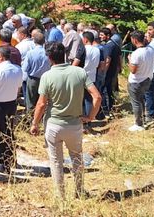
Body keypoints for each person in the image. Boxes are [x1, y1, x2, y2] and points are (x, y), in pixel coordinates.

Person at [31, 42, 102, 198]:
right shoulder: (79, 72)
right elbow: (97, 96)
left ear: (49, 57)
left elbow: (41, 104)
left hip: (54, 125)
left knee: (56, 161)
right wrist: (90, 116)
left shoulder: (47, 76)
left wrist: (35, 124)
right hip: (75, 125)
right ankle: (79, 191)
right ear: (65, 54)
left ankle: (60, 195)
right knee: (77, 159)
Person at [0, 47, 23, 174]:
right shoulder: (18, 69)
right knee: (9, 132)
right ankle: (12, 159)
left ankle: (4, 165)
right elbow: (18, 88)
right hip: (11, 104)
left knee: (0, 135)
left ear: (1, 57)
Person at [127, 31, 154, 132]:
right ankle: (143, 118)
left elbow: (133, 70)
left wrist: (129, 60)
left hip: (136, 81)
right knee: (141, 100)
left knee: (136, 102)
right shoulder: (151, 50)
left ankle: (138, 124)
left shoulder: (136, 53)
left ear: (134, 39)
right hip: (147, 79)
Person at [21, 31, 50, 113]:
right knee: (42, 101)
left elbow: (25, 68)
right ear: (44, 41)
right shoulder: (47, 53)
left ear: (34, 41)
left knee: (30, 102)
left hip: (32, 80)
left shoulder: (30, 53)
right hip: (45, 79)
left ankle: (30, 120)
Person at [99, 27, 121, 118]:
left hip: (108, 72)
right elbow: (120, 57)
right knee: (109, 90)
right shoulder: (115, 44)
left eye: (102, 35)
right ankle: (110, 108)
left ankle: (106, 110)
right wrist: (120, 67)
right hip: (113, 71)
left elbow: (107, 60)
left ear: (107, 36)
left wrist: (103, 72)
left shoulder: (108, 46)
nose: (100, 37)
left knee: (105, 90)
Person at [82, 32, 100, 118]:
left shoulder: (83, 49)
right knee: (89, 99)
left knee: (81, 101)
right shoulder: (97, 50)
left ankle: (83, 120)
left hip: (82, 76)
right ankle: (89, 119)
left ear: (85, 39)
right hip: (92, 76)